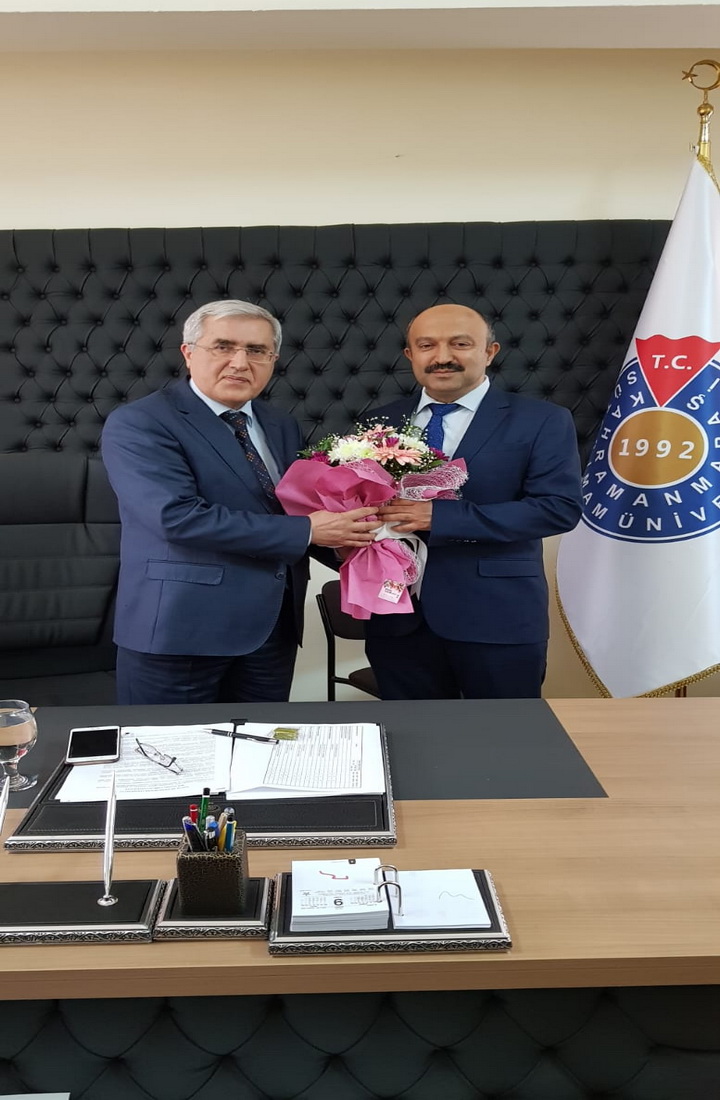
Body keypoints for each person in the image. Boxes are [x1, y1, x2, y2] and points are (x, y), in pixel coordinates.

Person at [102, 299, 378, 705]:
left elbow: (293, 510)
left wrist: (348, 541)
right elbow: (176, 517)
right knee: (170, 745)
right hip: (181, 632)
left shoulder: (280, 424)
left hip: (271, 631)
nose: (240, 362)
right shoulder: (141, 422)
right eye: (223, 346)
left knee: (262, 742)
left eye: (257, 350)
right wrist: (309, 531)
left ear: (273, 360)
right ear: (188, 352)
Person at [363, 303, 583, 699]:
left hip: (497, 617)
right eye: (426, 346)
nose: (442, 357)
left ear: (490, 352)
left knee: (503, 733)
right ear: (410, 355)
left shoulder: (542, 420)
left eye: (460, 344)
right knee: (412, 733)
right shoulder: (379, 422)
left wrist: (441, 518)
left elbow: (558, 508)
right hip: (398, 621)